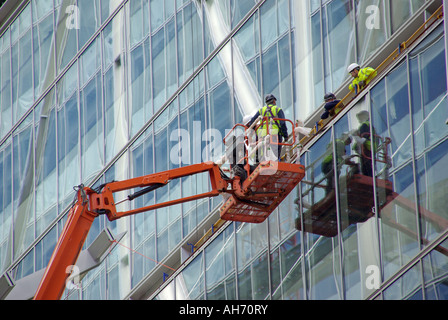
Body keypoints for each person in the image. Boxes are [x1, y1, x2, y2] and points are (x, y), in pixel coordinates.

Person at [246, 94, 288, 161]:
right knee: (275, 155)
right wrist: (285, 136)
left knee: (265, 153)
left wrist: (256, 130)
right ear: (274, 101)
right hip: (275, 135)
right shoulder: (278, 110)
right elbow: (282, 123)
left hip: (264, 136)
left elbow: (252, 123)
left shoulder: (261, 110)